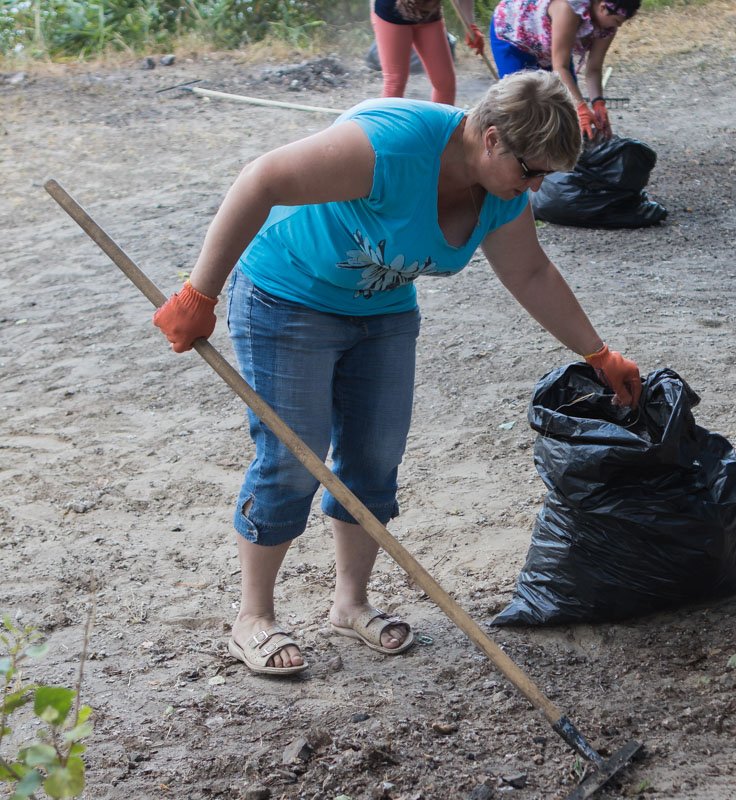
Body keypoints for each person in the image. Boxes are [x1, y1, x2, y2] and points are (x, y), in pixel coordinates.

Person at [152, 71, 643, 675]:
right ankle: (253, 616)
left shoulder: (502, 194)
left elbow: (531, 274)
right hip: (288, 297)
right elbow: (262, 180)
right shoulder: (390, 148)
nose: (536, 187)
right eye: (531, 170)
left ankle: (350, 604)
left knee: (374, 456)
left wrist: (599, 354)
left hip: (381, 311)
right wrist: (199, 293)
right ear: (491, 138)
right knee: (291, 453)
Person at [489, 0, 640, 141]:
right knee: (524, 105)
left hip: (548, 48)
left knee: (562, 107)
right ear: (603, 8)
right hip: (513, 35)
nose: (617, 26)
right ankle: (522, 155)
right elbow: (560, 67)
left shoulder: (608, 26)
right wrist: (580, 107)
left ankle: (559, 156)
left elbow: (593, 69)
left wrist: (598, 104)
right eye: (617, 21)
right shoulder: (569, 8)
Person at [371, 0, 485, 104]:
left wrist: (471, 27)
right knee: (395, 82)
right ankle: (387, 126)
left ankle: (440, 125)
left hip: (430, 15)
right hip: (392, 13)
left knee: (445, 83)